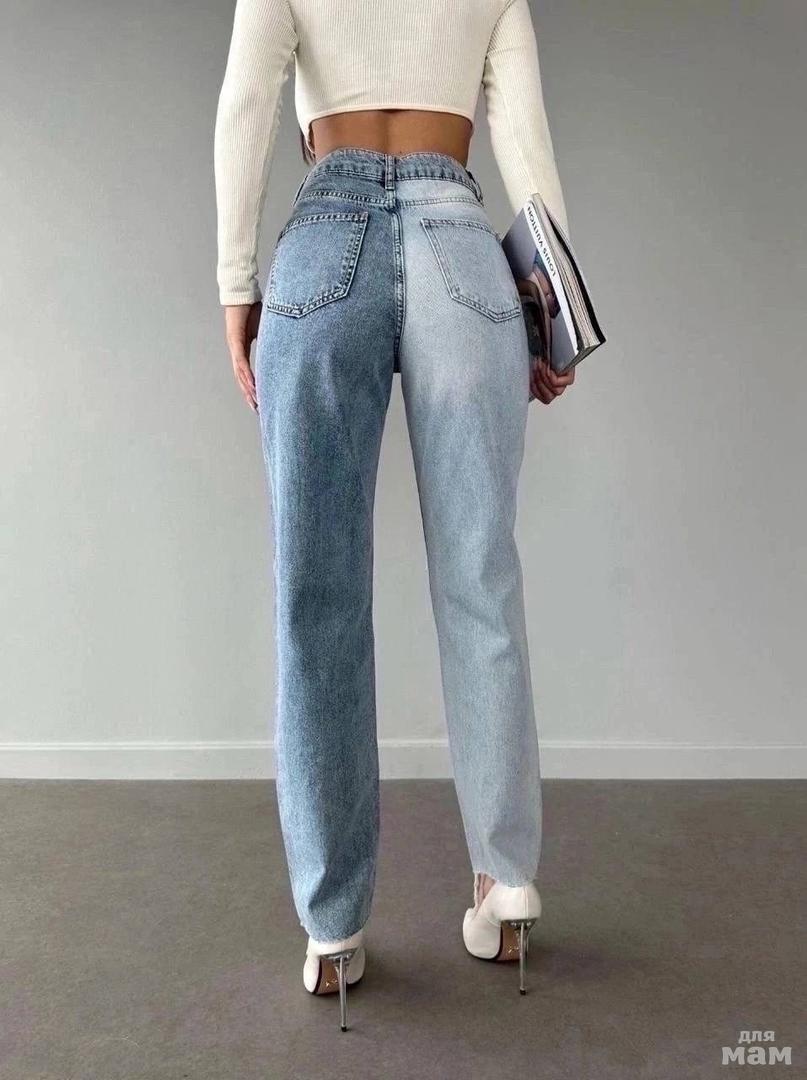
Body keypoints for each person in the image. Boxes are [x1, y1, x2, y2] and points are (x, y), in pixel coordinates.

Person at [214, 0, 575, 1030]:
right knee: (480, 576)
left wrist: (236, 283)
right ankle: (506, 883)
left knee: (315, 596)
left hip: (323, 242)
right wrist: (552, 307)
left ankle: (332, 928)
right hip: (461, 243)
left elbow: (247, 104)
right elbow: (523, 137)